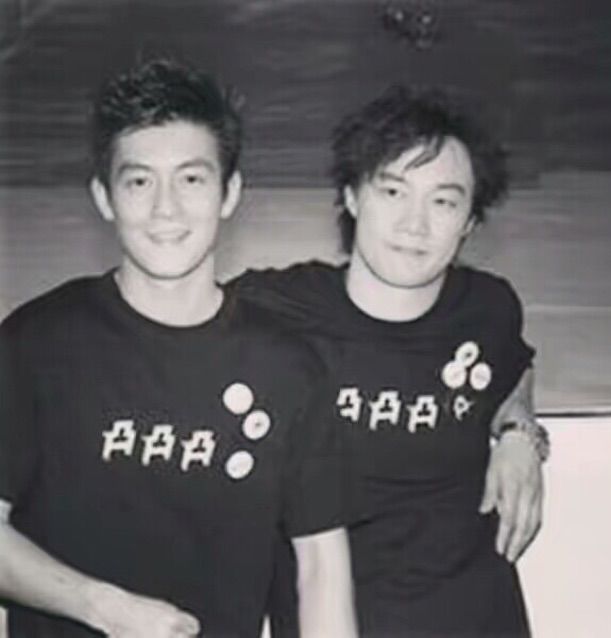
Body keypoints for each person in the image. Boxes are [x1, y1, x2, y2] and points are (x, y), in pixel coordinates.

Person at [0, 59, 357, 638]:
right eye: (139, 182)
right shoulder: (35, 342)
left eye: (191, 179)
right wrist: (102, 607)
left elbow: (320, 567)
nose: (165, 209)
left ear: (229, 193)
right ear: (104, 197)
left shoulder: (287, 366)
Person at [235, 85, 549, 637]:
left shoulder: (488, 308)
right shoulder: (272, 308)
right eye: (393, 192)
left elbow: (514, 366)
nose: (414, 224)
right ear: (353, 197)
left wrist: (519, 432)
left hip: (479, 619)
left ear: (469, 222)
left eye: (443, 202)